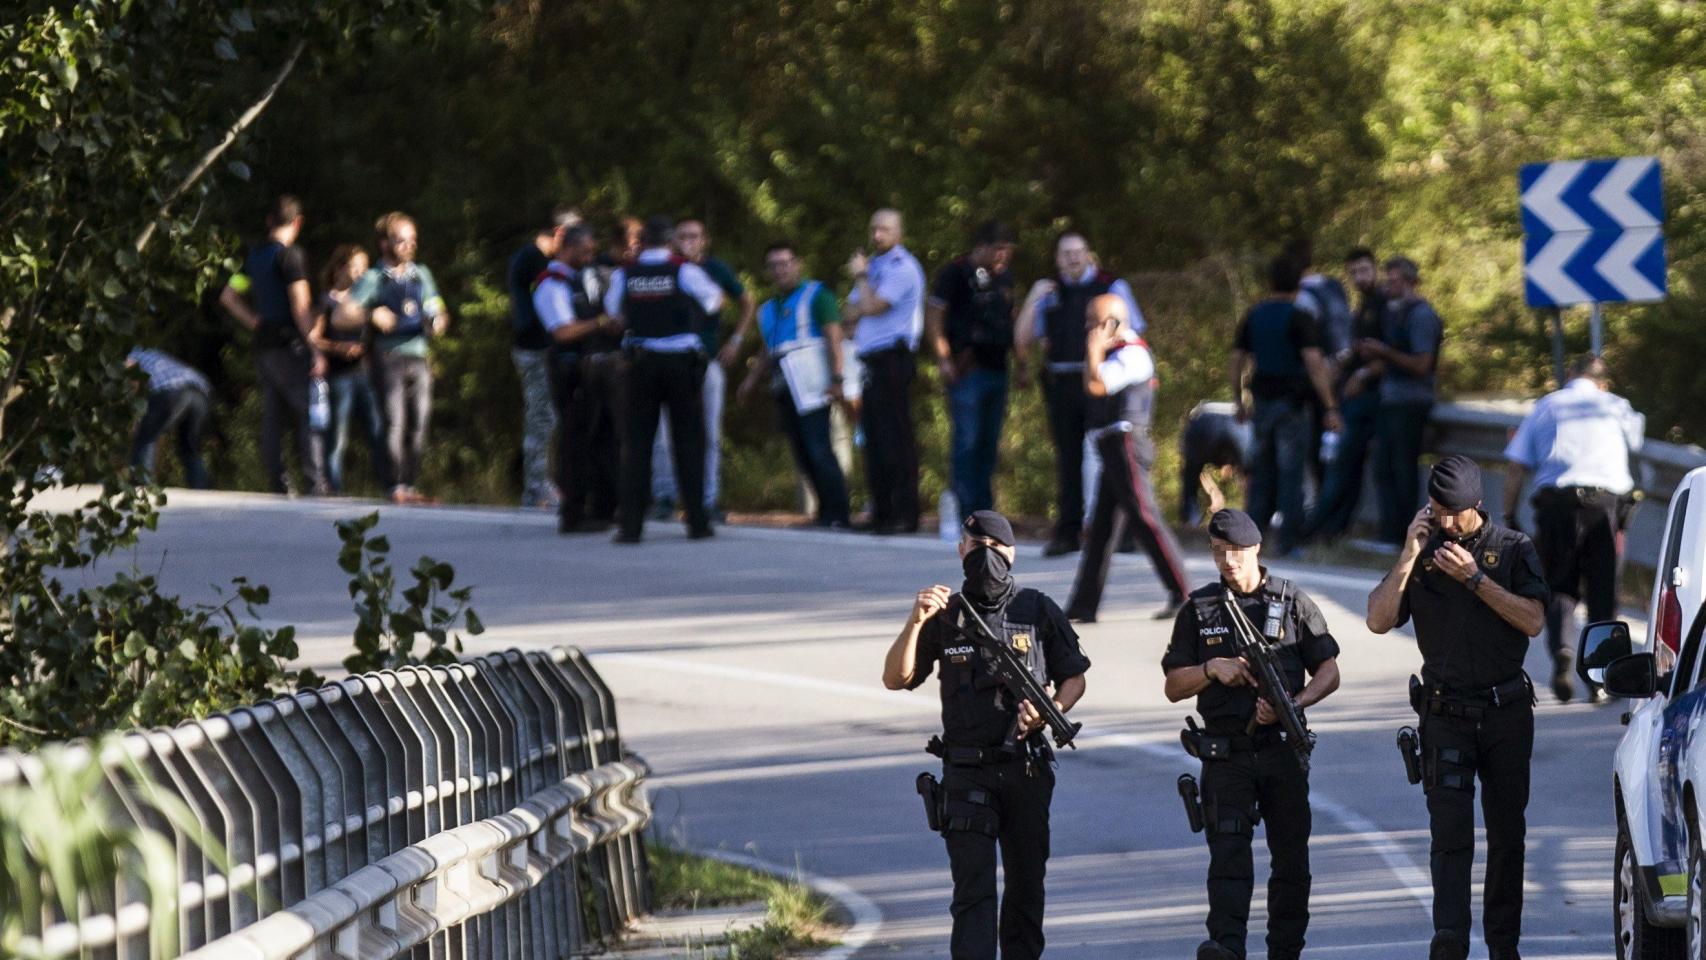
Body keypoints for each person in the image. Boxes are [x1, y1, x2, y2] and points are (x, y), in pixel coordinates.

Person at [882, 510, 1090, 960]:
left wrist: (1050, 710)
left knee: (1025, 889)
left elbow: (1074, 678)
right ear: (960, 551)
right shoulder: (946, 616)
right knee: (973, 894)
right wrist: (915, 621)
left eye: (994, 550)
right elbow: (896, 679)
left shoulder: (1036, 609)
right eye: (976, 549)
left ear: (1012, 554)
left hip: (1025, 769)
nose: (985, 559)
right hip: (965, 772)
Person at [1365, 455, 1548, 960]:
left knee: (1507, 834)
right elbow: (1378, 620)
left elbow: (1533, 620)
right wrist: (1407, 553)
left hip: (1505, 711)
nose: (1446, 523)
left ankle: (1502, 944)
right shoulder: (1422, 550)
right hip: (1444, 713)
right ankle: (1449, 936)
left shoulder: (1513, 549)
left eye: (1456, 514)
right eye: (1437, 510)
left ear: (1478, 506)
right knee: (1449, 834)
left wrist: (1476, 580)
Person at [1163, 509, 1340, 960]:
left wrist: (1292, 706)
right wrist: (1210, 669)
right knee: (1228, 861)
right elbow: (1172, 686)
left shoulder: (1291, 600)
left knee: (1292, 864)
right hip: (1225, 755)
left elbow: (1329, 670)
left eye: (1236, 553)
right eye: (1219, 553)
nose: (1228, 562)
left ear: (1256, 550)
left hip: (1280, 750)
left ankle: (1285, 950)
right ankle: (1226, 947)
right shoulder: (1201, 609)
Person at [1502, 355, 1644, 702]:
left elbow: (1517, 465)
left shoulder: (1546, 406)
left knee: (1559, 585)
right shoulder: (1616, 406)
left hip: (1556, 505)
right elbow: (1636, 442)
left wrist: (1509, 515)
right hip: (1604, 506)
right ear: (1604, 383)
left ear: (1570, 375)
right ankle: (1600, 679)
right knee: (1602, 591)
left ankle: (1563, 650)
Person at [1013, 231, 1144, 556]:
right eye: (1065, 253)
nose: (1072, 258)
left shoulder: (1111, 286)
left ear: (1089, 254)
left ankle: (1121, 532)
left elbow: (1133, 330)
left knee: (1108, 456)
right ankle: (1068, 531)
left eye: (1078, 252)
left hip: (1103, 381)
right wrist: (1032, 298)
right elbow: (1022, 341)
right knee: (1068, 459)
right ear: (1057, 259)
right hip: (1062, 383)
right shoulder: (1050, 293)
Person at [1065, 294, 1191, 622]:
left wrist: (1094, 351)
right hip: (1112, 444)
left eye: (1094, 322)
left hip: (1127, 444)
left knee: (1144, 517)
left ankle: (1184, 593)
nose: (1088, 329)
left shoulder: (1132, 354)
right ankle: (1084, 603)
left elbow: (1097, 386)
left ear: (1113, 323)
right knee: (1102, 528)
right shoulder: (1115, 353)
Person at [604, 215, 724, 542]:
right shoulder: (684, 271)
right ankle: (697, 522)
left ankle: (631, 527)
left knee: (638, 444)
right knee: (689, 442)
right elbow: (714, 301)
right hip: (681, 365)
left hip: (641, 364)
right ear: (670, 241)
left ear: (642, 242)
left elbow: (613, 313)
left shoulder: (624, 274)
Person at [217, 194, 329, 496]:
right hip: (288, 342)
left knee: (274, 414)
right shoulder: (290, 256)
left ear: (269, 220)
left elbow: (228, 296)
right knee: (308, 411)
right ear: (298, 222)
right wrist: (316, 347)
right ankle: (315, 482)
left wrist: (254, 321)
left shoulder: (253, 256)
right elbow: (300, 306)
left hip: (263, 343)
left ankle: (279, 482)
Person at [1229, 256, 1341, 555]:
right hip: (1292, 404)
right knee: (1291, 471)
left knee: (1261, 470)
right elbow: (1315, 364)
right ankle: (1289, 539)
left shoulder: (1255, 314)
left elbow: (1237, 359)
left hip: (1262, 402)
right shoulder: (1298, 316)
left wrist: (1238, 399)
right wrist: (1330, 406)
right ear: (1297, 285)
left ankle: (1250, 538)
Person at [735, 241, 851, 527]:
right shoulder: (768, 309)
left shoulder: (816, 295)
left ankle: (839, 512)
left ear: (797, 263)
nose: (780, 270)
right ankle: (824, 510)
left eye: (785, 263)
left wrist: (837, 379)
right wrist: (750, 381)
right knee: (801, 450)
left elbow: (833, 336)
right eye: (774, 265)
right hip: (784, 384)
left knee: (818, 447)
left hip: (812, 382)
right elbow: (767, 349)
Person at [649, 219, 756, 523]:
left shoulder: (716, 269)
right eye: (682, 236)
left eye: (694, 236)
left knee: (709, 432)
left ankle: (708, 499)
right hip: (668, 360)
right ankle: (666, 497)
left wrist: (735, 340)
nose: (688, 242)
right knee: (663, 433)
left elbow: (747, 301)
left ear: (705, 240)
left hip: (706, 359)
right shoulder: (664, 269)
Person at [351, 211, 451, 505]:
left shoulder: (422, 275)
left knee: (419, 422)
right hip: (388, 356)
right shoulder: (373, 278)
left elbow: (438, 308)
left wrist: (439, 321)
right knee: (394, 420)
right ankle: (393, 485)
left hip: (419, 356)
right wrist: (371, 314)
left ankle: (409, 483)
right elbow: (343, 314)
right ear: (384, 243)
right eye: (401, 240)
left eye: (413, 240)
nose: (409, 245)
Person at [925, 221, 1017, 521]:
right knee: (966, 441)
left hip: (997, 367)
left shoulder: (1004, 278)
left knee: (989, 443)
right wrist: (943, 359)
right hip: (968, 370)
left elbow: (1010, 318)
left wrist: (1023, 362)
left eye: (1007, 251)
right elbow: (935, 317)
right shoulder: (955, 273)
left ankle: (984, 509)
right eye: (999, 250)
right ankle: (963, 508)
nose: (1003, 257)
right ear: (982, 247)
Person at [844, 209, 926, 534]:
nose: (878, 235)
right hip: (870, 362)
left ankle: (906, 514)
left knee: (896, 438)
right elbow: (850, 311)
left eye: (885, 229)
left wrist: (862, 281)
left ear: (899, 233)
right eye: (874, 228)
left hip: (893, 358)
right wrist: (864, 292)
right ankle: (882, 512)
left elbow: (872, 306)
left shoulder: (902, 268)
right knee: (874, 440)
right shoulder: (875, 267)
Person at [1304, 247, 1386, 542]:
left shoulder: (1385, 305)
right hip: (1353, 397)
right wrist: (1340, 364)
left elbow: (1391, 352)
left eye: (1364, 270)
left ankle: (1318, 526)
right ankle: (1334, 526)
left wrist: (1363, 375)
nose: (1359, 277)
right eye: (1353, 273)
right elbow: (1357, 349)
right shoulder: (1362, 307)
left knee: (1343, 465)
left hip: (1373, 397)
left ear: (1375, 268)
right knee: (1345, 464)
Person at [1363, 255, 1443, 545]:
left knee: (1402, 469)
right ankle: (1389, 531)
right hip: (1391, 400)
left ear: (1411, 282)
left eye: (1393, 281)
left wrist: (1384, 352)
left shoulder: (1421, 315)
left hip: (1411, 402)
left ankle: (1403, 534)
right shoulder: (1395, 313)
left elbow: (1422, 364)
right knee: (1384, 467)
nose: (1388, 286)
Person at [507, 207, 580, 509]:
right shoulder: (533, 262)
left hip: (541, 348)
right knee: (541, 415)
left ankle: (541, 482)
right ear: (560, 234)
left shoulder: (533, 258)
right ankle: (535, 485)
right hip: (534, 349)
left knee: (549, 415)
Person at [310, 245, 390, 494]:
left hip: (365, 374)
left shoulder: (364, 300)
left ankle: (392, 486)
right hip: (340, 376)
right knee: (337, 438)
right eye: (355, 267)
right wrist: (338, 347)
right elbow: (314, 336)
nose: (359, 274)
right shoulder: (326, 301)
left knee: (378, 431)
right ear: (339, 268)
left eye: (364, 269)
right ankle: (333, 488)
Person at [127, 347, 212, 489]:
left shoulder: (130, 354)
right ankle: (200, 488)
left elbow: (130, 368)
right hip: (200, 392)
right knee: (189, 447)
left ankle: (140, 485)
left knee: (146, 437)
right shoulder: (152, 354)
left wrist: (137, 415)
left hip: (172, 391)